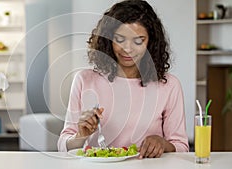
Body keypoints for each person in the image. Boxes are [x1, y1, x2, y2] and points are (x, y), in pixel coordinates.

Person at [57, 0, 189, 158]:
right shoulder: (84, 80)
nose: (128, 48)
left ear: (151, 43)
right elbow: (63, 145)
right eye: (120, 39)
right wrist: (80, 136)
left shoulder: (169, 85)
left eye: (139, 40)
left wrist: (162, 143)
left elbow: (181, 146)